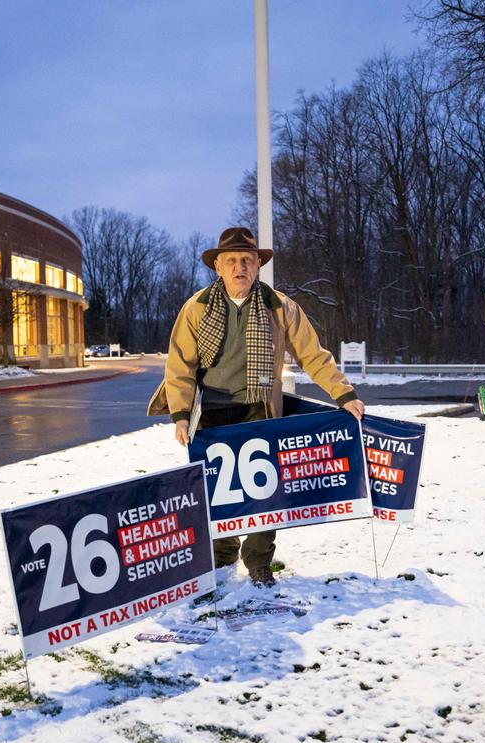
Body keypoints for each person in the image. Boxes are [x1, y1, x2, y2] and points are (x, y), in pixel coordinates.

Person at [147, 227, 366, 586]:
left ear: (257, 266)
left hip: (260, 409)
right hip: (213, 410)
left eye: (247, 260)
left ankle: (260, 561)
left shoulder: (280, 307)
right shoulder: (197, 308)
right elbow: (180, 365)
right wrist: (181, 415)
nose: (239, 268)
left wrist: (344, 394)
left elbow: (313, 355)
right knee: (219, 488)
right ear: (217, 267)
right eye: (231, 261)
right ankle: (222, 554)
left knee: (265, 490)